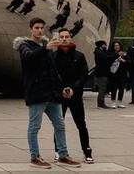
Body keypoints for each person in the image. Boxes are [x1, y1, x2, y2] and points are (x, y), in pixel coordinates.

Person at [13, 17, 81, 169]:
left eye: (42, 28)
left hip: (52, 93)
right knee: (34, 127)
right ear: (31, 29)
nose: (39, 30)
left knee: (60, 125)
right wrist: (46, 49)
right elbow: (29, 57)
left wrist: (61, 88)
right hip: (37, 93)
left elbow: (53, 70)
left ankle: (63, 155)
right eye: (36, 27)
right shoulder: (25, 45)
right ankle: (35, 157)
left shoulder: (45, 44)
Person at [52, 28, 93, 164]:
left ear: (71, 38)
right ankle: (58, 151)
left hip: (75, 96)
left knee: (81, 124)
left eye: (67, 37)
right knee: (59, 125)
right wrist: (62, 89)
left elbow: (83, 74)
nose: (64, 39)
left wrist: (73, 88)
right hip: (60, 96)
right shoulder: (53, 56)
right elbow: (52, 76)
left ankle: (87, 152)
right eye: (62, 37)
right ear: (58, 39)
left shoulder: (79, 56)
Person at [92, 41, 114, 109]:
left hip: (103, 72)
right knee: (102, 88)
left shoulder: (101, 52)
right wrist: (115, 55)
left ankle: (101, 103)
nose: (105, 46)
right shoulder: (99, 53)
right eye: (104, 45)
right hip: (101, 73)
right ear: (101, 45)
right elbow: (106, 57)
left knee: (103, 88)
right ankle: (101, 103)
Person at [107, 41, 128, 108]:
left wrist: (124, 61)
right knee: (114, 88)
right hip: (114, 74)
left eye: (118, 45)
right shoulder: (111, 53)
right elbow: (108, 61)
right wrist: (117, 56)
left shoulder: (124, 54)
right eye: (115, 45)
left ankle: (119, 102)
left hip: (122, 74)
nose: (117, 47)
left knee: (121, 88)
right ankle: (113, 102)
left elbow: (129, 62)